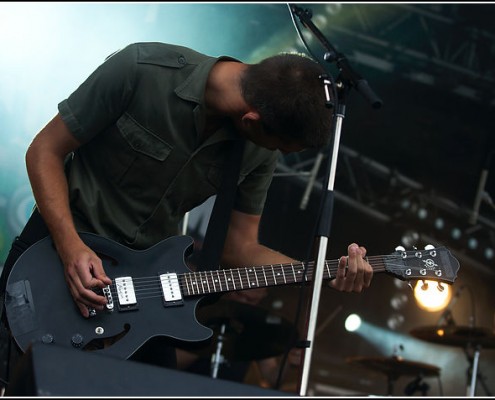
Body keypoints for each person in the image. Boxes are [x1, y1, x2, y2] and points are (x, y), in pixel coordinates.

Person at [0, 42, 373, 391]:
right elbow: (43, 151)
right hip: (52, 258)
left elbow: (239, 248)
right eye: (277, 144)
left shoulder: (257, 150)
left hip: (142, 296)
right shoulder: (141, 70)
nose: (274, 152)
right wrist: (70, 247)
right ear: (251, 120)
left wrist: (325, 270)